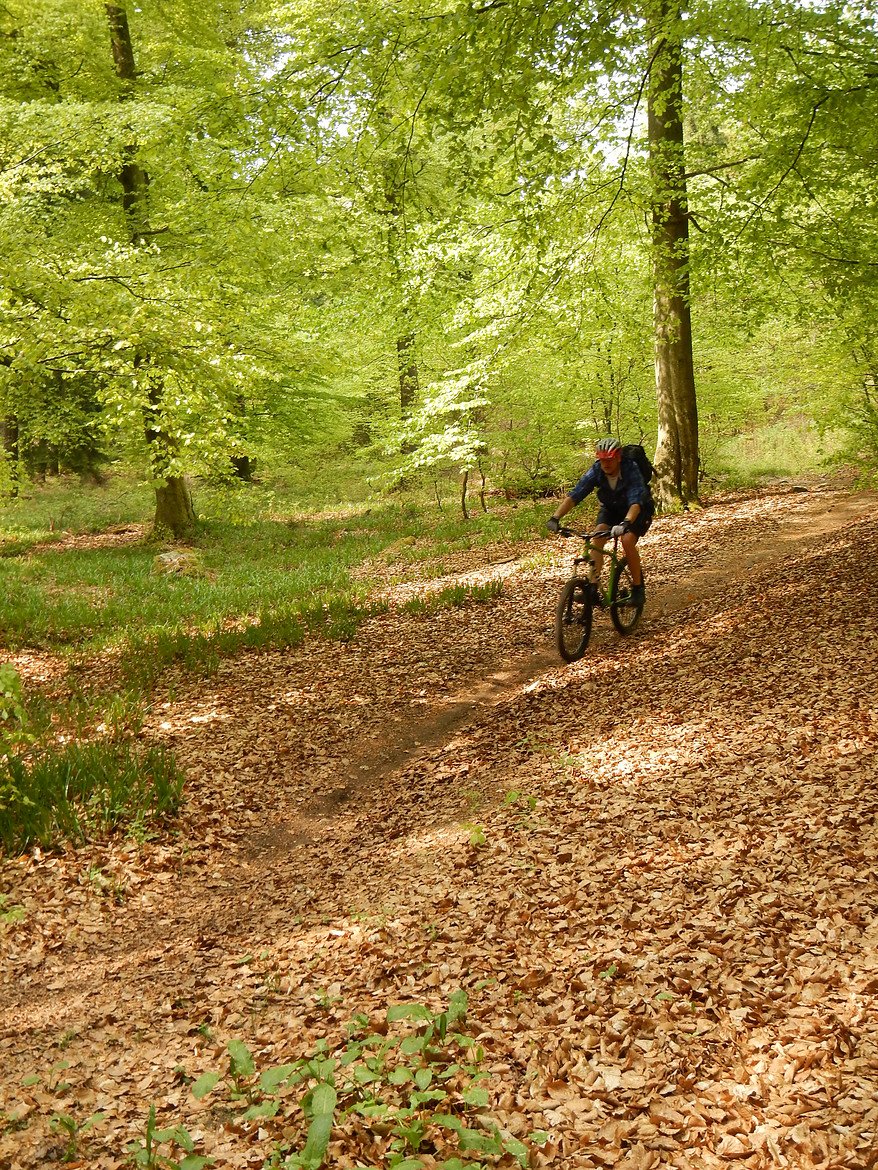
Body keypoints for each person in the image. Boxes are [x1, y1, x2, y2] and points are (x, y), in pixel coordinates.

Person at [546, 436, 653, 606]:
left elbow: (636, 501)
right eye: (602, 460)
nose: (606, 464)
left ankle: (637, 589)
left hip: (638, 510)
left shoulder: (630, 468)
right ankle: (592, 589)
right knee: (597, 537)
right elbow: (576, 495)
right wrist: (555, 517)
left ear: (618, 457)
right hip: (612, 508)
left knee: (627, 540)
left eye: (609, 460)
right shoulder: (596, 470)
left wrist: (626, 523)